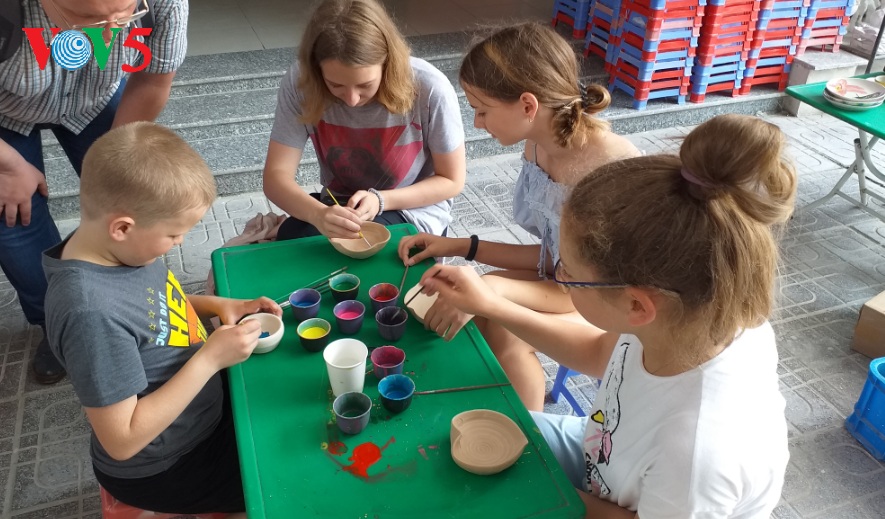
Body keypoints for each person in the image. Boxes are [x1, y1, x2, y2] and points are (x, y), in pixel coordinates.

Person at [416, 114, 794, 517]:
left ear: (636, 305)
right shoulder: (688, 313)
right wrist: (490, 304)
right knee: (448, 430)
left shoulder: (696, 454)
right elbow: (599, 353)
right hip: (602, 451)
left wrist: (537, 486)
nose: (558, 276)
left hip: (626, 493)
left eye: (568, 272)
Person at [397, 22, 639, 411]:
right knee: (476, 305)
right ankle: (490, 411)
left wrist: (491, 288)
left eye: (481, 111)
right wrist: (457, 246)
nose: (477, 123)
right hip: (566, 282)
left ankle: (526, 432)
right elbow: (551, 258)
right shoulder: (537, 143)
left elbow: (583, 285)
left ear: (528, 105)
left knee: (502, 325)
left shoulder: (609, 170)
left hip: (606, 305)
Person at [42, 122, 280, 517]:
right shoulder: (89, 314)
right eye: (173, 235)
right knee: (283, 474)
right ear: (122, 227)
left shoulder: (118, 250)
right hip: (171, 464)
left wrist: (217, 305)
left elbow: (152, 309)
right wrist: (210, 359)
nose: (181, 242)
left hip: (198, 414)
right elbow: (122, 439)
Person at [0, 0, 188, 384]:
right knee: (14, 221)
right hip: (5, 112)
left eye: (126, 15)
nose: (110, 33)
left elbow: (152, 81)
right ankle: (58, 321)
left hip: (93, 98)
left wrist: (114, 162)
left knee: (128, 198)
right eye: (88, 19)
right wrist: (8, 165)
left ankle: (134, 305)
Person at [263, 0, 466, 241]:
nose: (351, 99)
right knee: (295, 241)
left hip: (412, 208)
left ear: (387, 64)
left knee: (368, 247)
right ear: (317, 71)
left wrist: (381, 200)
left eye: (365, 85)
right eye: (335, 85)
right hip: (340, 204)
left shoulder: (430, 89)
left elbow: (452, 180)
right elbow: (276, 176)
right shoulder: (302, 82)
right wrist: (318, 214)